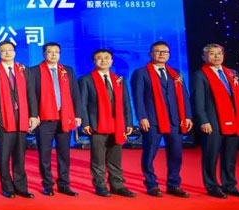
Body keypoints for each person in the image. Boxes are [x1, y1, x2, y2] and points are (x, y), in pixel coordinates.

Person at [130, 41, 193, 198]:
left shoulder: (175, 73)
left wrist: (187, 116)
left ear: (169, 55)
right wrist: (142, 117)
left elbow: (184, 95)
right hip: (152, 120)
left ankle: (174, 184)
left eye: (165, 52)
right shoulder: (141, 72)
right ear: (150, 54)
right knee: (150, 153)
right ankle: (151, 184)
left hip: (175, 120)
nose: (162, 54)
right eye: (158, 51)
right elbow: (138, 97)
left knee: (176, 154)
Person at [190, 44, 239, 198]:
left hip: (235, 120)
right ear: (204, 57)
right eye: (212, 53)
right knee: (211, 156)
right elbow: (197, 101)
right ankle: (212, 186)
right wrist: (203, 120)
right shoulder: (199, 75)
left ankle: (229, 185)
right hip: (212, 122)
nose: (216, 56)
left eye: (219, 53)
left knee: (230, 156)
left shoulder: (232, 73)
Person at [27, 42, 83, 197]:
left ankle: (64, 184)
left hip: (65, 116)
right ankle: (47, 185)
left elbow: (75, 94)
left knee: (64, 154)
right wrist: (33, 115)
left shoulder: (67, 70)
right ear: (44, 54)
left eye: (56, 52)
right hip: (44, 119)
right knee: (44, 154)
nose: (53, 55)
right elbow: (31, 95)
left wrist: (78, 115)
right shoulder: (34, 71)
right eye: (50, 52)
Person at [79, 49, 136, 198]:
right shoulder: (86, 79)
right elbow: (82, 104)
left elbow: (126, 103)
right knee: (98, 158)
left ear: (112, 61)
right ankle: (100, 185)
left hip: (117, 125)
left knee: (115, 158)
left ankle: (117, 185)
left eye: (107, 58)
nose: (103, 60)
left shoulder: (119, 80)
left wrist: (129, 123)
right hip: (97, 124)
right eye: (99, 58)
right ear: (94, 61)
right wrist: (85, 123)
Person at [0, 41, 37, 198]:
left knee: (20, 155)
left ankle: (21, 187)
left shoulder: (23, 70)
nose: (7, 53)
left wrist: (33, 115)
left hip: (21, 117)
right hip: (1, 118)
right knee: (4, 155)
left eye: (10, 50)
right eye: (3, 50)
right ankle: (7, 187)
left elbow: (31, 94)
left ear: (15, 52)